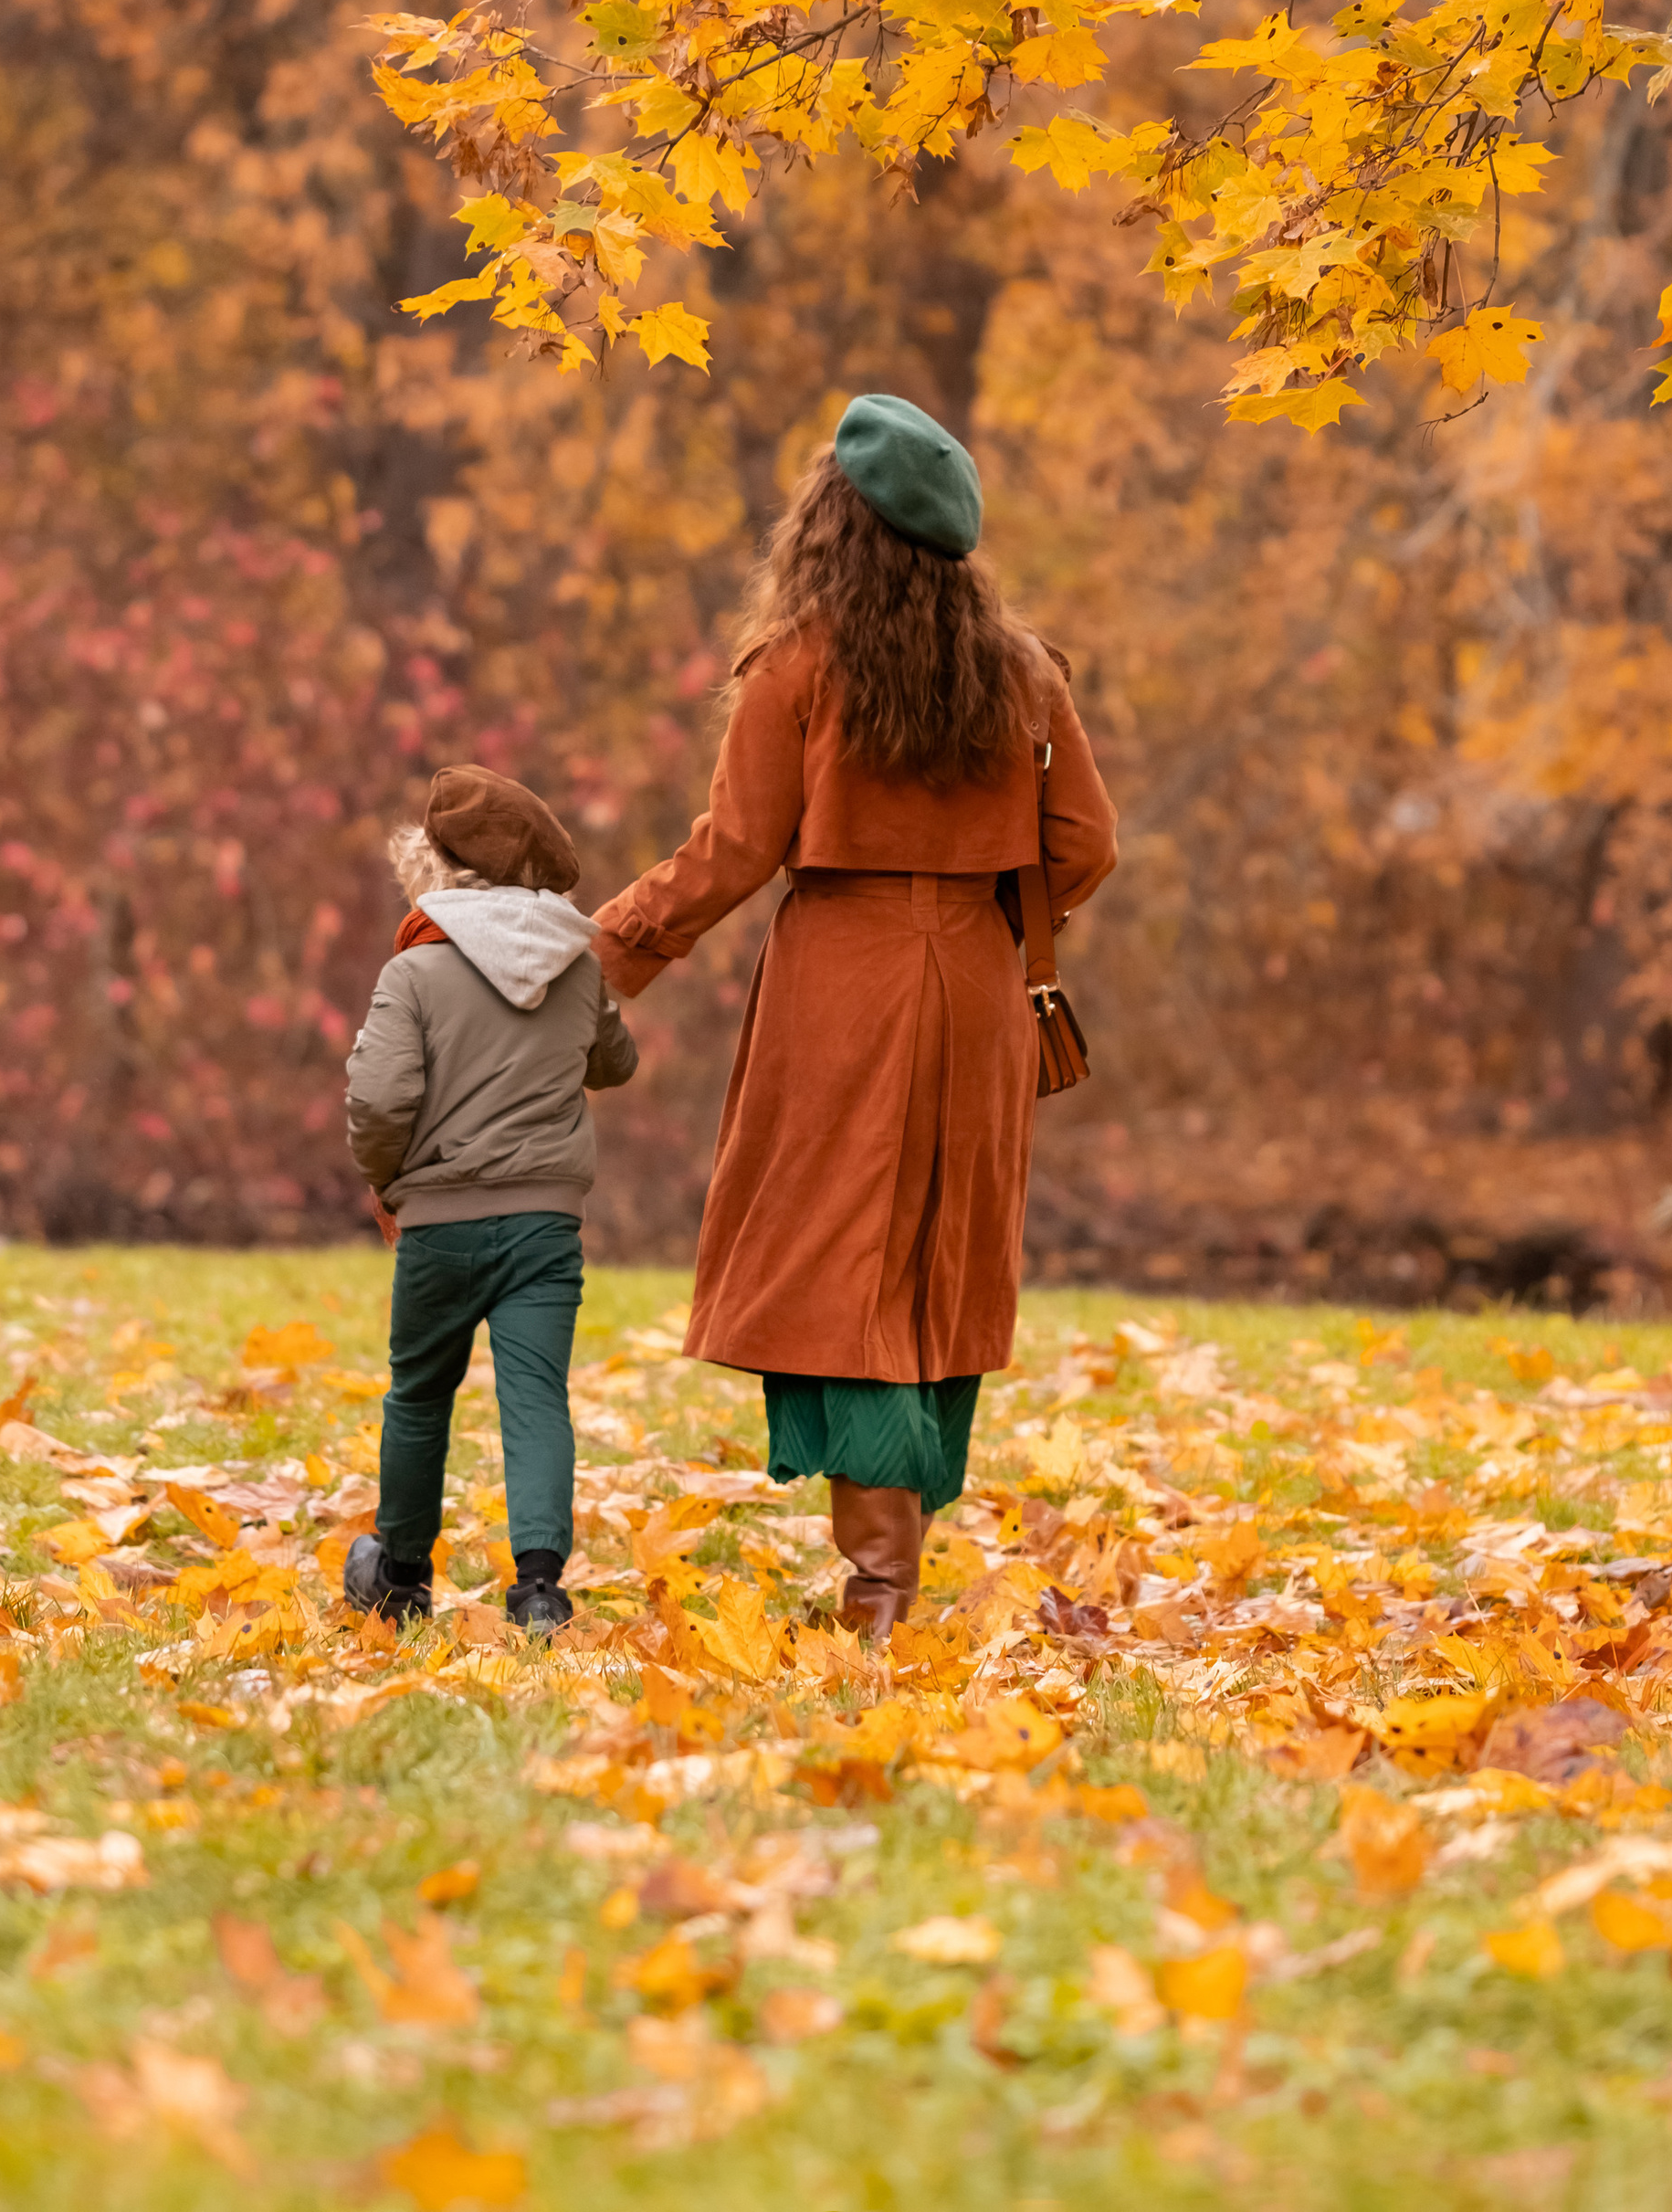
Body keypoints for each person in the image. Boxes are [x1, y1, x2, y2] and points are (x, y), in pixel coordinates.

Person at [593, 394, 1117, 1636]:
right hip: (981, 988)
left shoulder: (798, 668)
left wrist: (603, 949)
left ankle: (880, 1589)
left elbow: (730, 852)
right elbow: (1085, 845)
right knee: (940, 1258)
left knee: (835, 1257)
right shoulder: (1024, 673)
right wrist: (993, 909)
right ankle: (899, 1563)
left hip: (843, 978)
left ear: (830, 525)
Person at [342, 762, 636, 1634]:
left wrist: (384, 1181)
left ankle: (399, 1574)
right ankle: (540, 1590)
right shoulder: (575, 967)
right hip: (546, 1222)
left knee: (419, 1395)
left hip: (438, 1222)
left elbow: (379, 1101)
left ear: (433, 870)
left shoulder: (414, 974)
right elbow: (614, 1062)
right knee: (537, 1395)